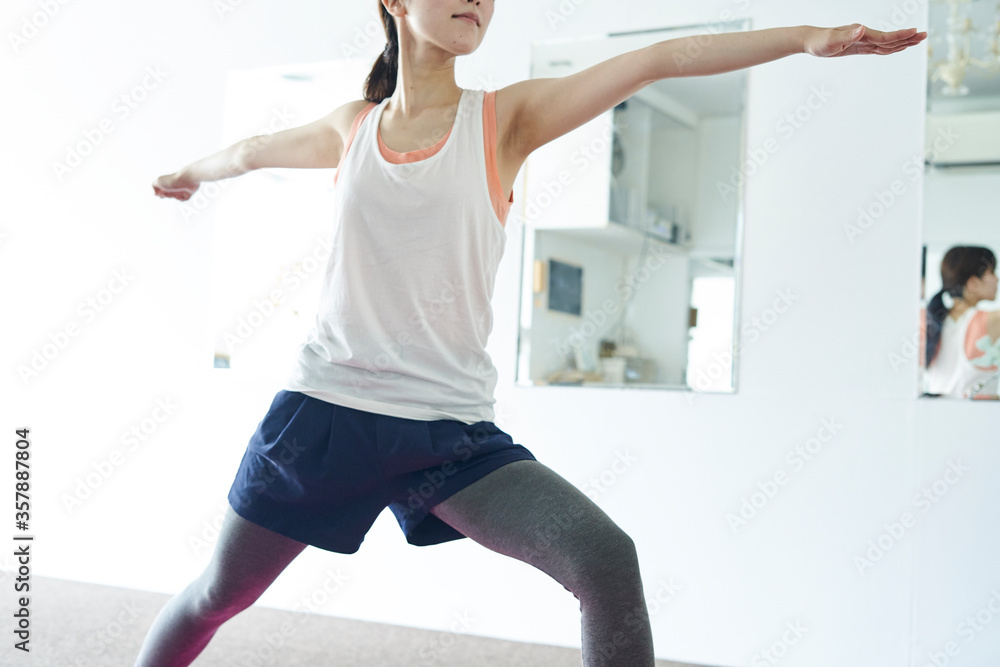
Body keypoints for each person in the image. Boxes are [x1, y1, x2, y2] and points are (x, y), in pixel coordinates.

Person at [138, 2, 926, 665]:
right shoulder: (353, 127)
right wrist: (187, 171)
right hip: (324, 417)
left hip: (446, 437)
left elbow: (655, 60)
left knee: (605, 556)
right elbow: (249, 150)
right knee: (216, 595)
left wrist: (803, 38)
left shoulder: (504, 119)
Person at [924, 246, 1000, 399]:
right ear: (973, 283)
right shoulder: (990, 320)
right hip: (975, 420)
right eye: (991, 272)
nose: (997, 279)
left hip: (935, 417)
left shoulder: (932, 321)